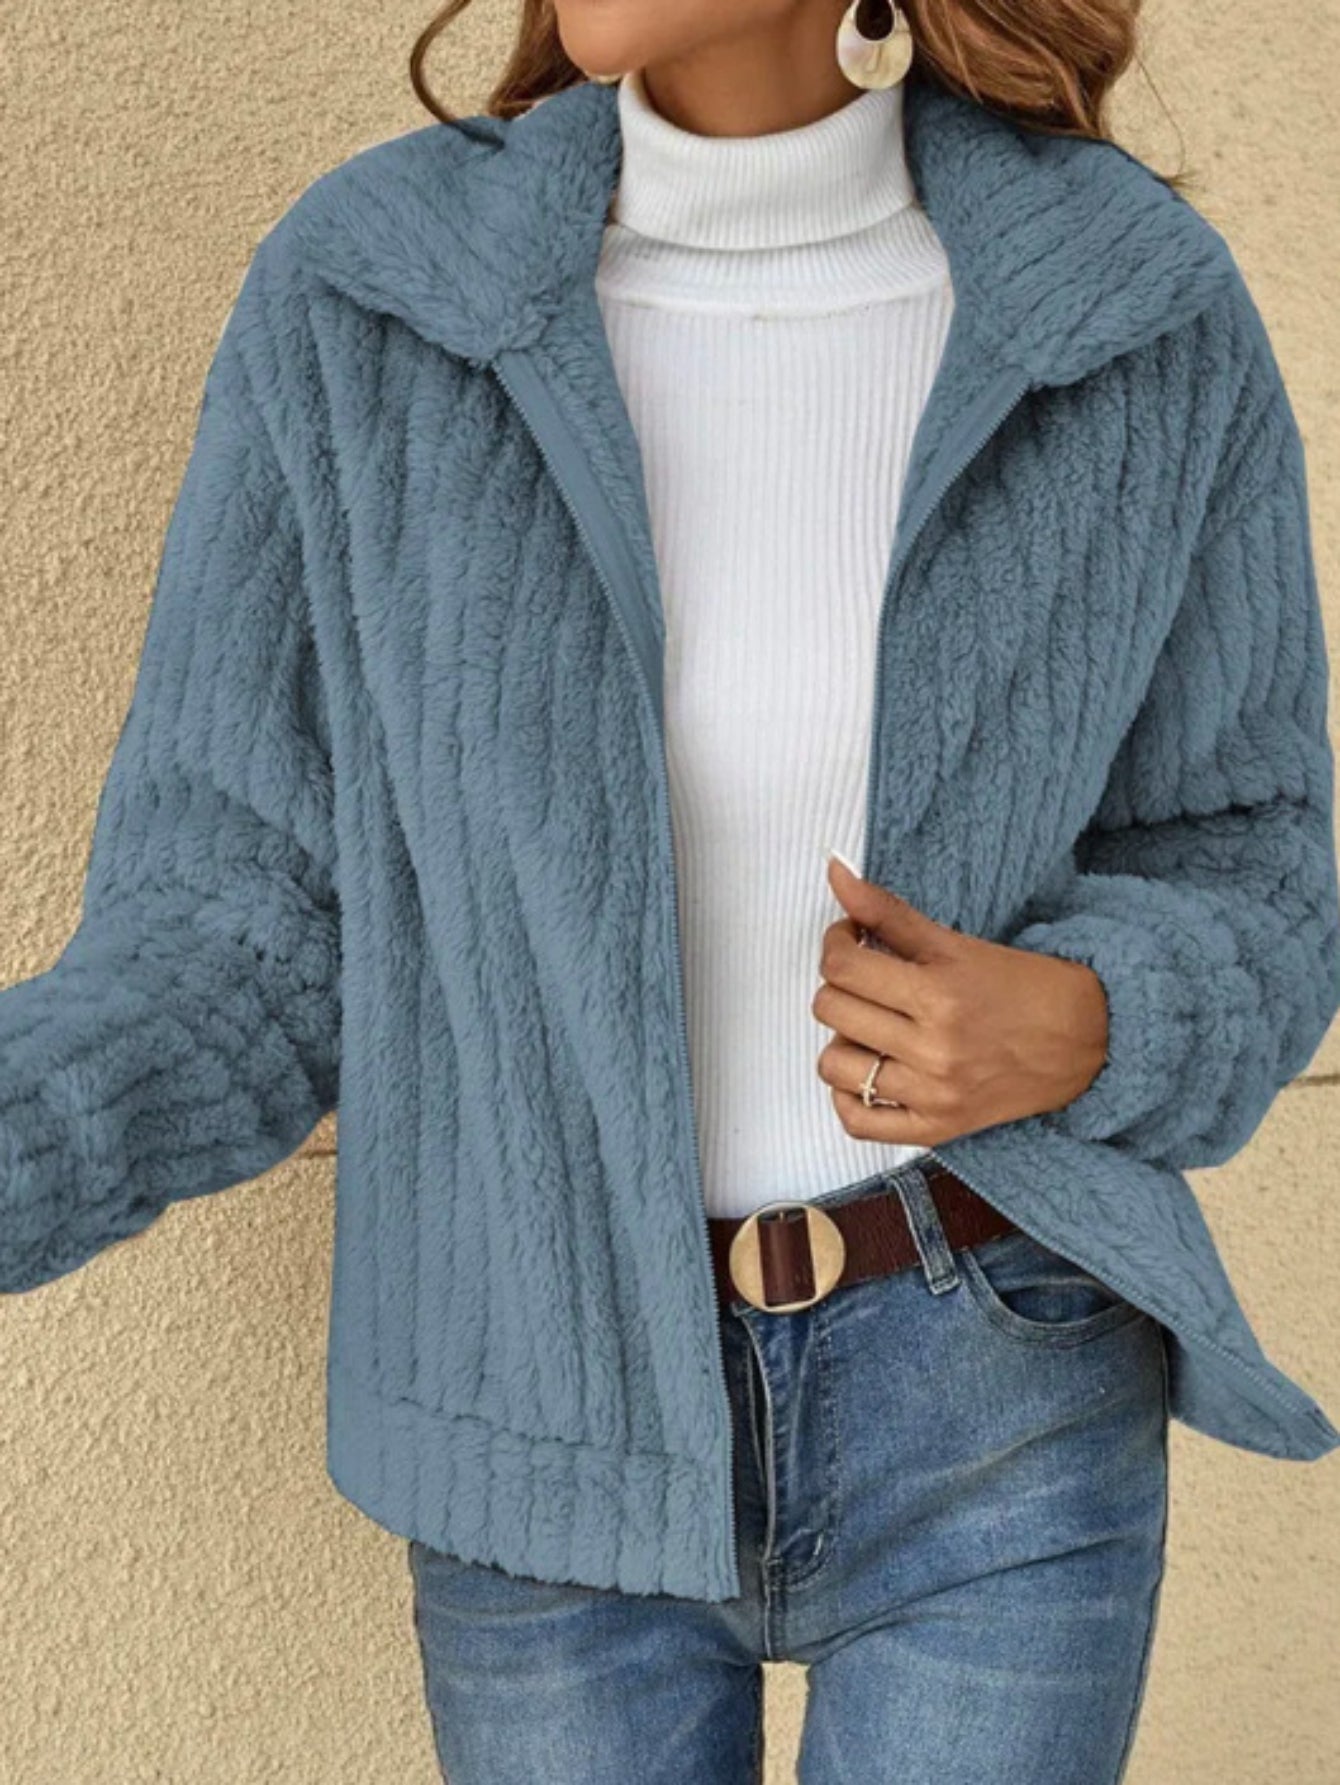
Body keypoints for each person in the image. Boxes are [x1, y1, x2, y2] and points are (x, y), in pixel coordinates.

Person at [4, 1, 1338, 1779]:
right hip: (540, 1397)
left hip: (1001, 1386)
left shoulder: (1129, 305)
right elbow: (237, 931)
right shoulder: (370, 299)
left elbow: (1256, 858)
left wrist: (1097, 1015)